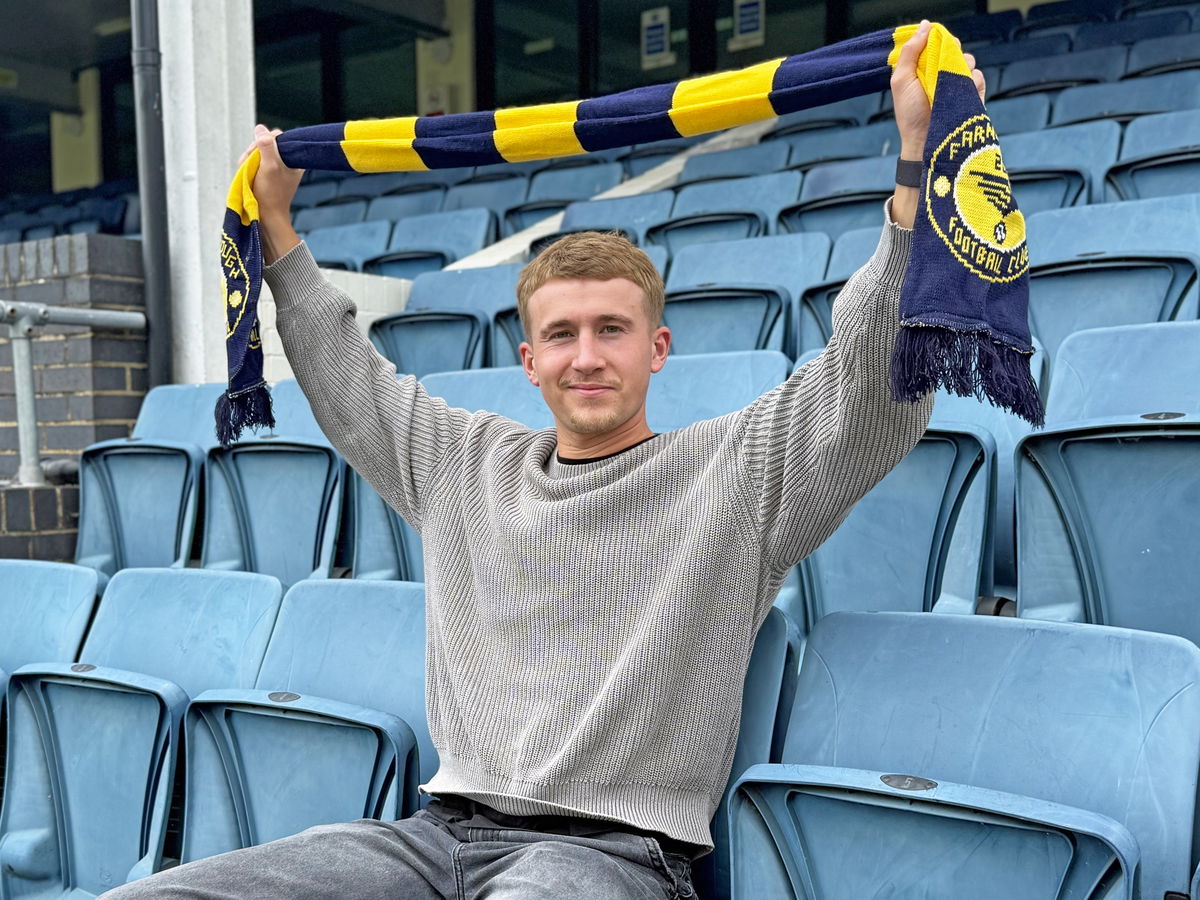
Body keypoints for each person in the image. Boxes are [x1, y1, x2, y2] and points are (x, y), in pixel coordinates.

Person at [104, 20, 986, 900]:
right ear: (529, 361)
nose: (586, 357)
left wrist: (917, 158)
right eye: (561, 335)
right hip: (438, 838)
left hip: (614, 858)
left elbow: (870, 383)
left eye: (612, 330)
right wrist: (276, 227)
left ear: (658, 349)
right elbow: (347, 380)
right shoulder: (464, 463)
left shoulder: (739, 471)